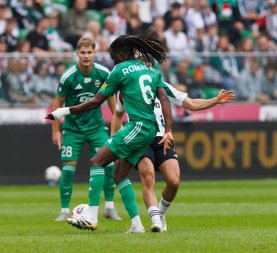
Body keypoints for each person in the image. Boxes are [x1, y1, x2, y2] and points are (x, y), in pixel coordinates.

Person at [46, 31, 173, 232]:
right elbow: (165, 100)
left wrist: (62, 111)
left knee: (97, 161)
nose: (113, 60)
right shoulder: (150, 70)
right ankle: (137, 225)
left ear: (121, 54)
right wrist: (168, 130)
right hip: (151, 130)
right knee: (119, 174)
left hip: (137, 127)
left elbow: (96, 101)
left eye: (113, 56)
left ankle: (90, 217)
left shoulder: (119, 70)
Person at [112, 82, 235, 232]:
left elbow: (190, 103)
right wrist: (114, 142)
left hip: (163, 139)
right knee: (148, 177)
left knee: (174, 181)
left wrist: (215, 100)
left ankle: (161, 214)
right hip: (140, 139)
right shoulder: (125, 88)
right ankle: (155, 221)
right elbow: (117, 115)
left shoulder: (161, 86)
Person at [51, 37, 132, 225]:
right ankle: (64, 210)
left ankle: (110, 207)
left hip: (96, 128)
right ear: (77, 53)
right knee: (68, 170)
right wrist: (56, 130)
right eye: (83, 52)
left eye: (89, 52)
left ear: (94, 53)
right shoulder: (68, 76)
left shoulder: (104, 73)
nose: (86, 56)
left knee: (109, 166)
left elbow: (112, 100)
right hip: (73, 129)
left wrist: (117, 126)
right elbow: (57, 104)